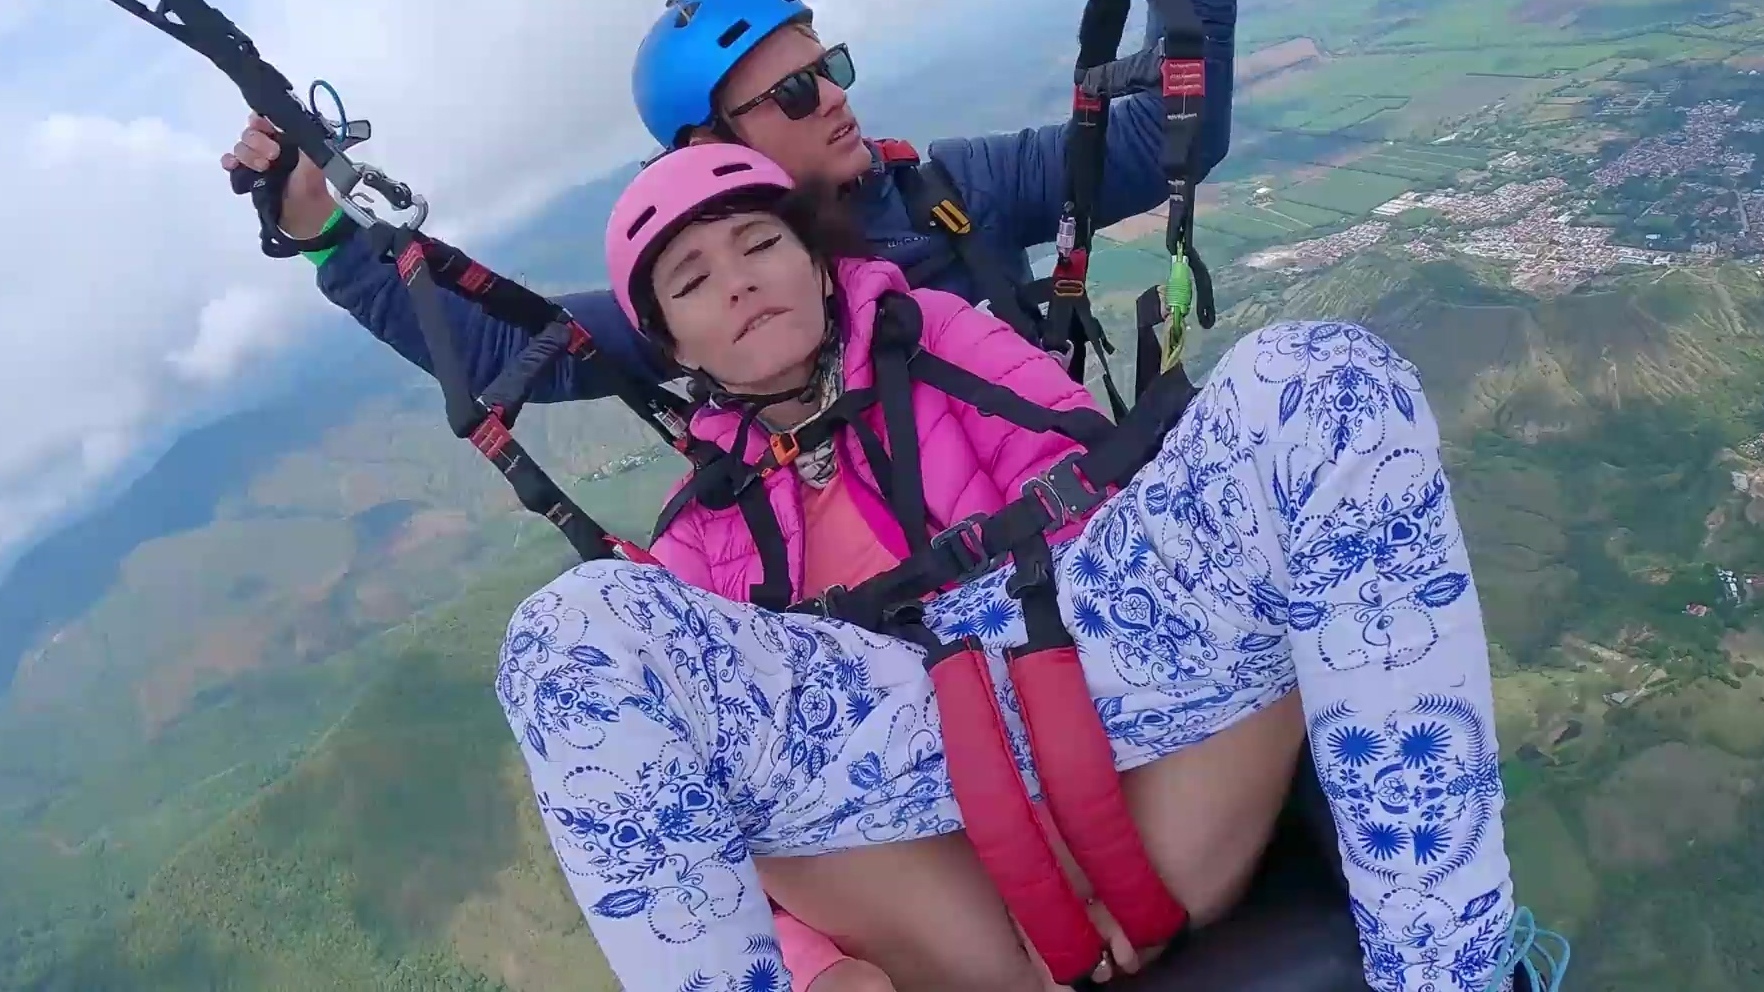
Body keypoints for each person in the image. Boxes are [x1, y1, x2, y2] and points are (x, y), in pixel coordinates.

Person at [494, 143, 1572, 992]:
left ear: (816, 260)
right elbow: (690, 799)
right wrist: (820, 970)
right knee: (570, 636)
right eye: (692, 278)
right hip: (934, 854)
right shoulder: (701, 540)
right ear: (672, 342)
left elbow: (1093, 490)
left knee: (1323, 382)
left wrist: (1049, 792)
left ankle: (1451, 971)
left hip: (1102, 706)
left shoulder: (940, 339)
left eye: (758, 244)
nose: (736, 281)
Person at [216, 0, 1237, 401]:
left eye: (828, 65)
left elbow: (1168, 144)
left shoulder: (952, 188)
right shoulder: (707, 292)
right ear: (710, 145)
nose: (835, 95)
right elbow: (495, 354)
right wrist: (324, 235)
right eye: (794, 90)